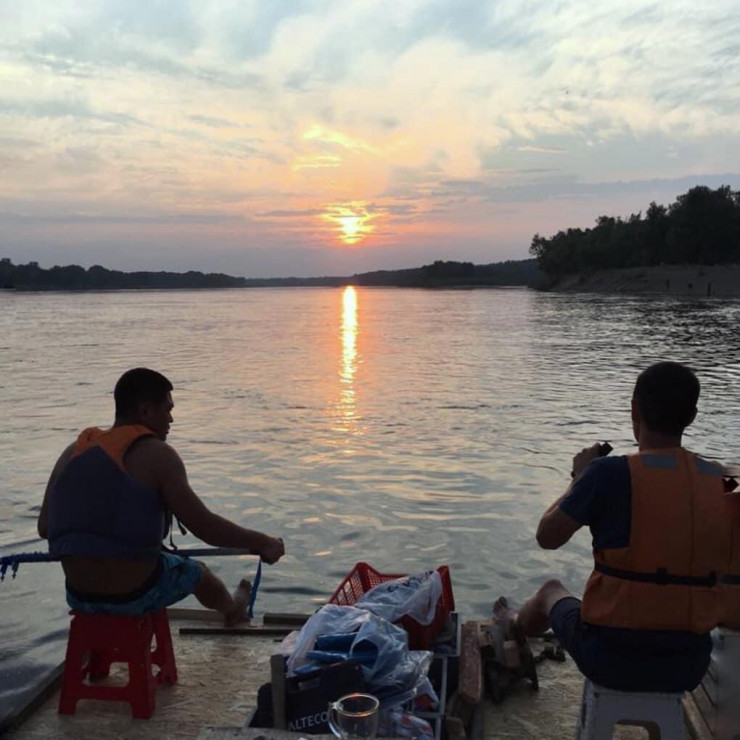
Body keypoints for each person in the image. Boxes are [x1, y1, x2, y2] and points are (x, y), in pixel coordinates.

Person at [498, 361, 732, 692]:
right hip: (688, 665)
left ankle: (515, 624)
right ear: (692, 416)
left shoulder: (608, 473)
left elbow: (547, 537)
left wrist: (579, 477)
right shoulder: (720, 481)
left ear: (635, 410)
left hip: (609, 657)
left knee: (550, 590)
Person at [37, 368, 285, 625]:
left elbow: (45, 527)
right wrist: (263, 542)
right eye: (167, 410)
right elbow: (206, 528)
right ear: (145, 411)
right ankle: (233, 610)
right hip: (134, 595)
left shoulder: (72, 452)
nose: (171, 419)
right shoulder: (159, 455)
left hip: (79, 595)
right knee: (199, 574)